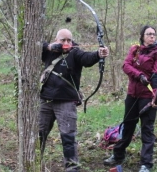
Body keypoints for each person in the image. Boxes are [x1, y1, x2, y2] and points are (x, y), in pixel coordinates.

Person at [39, 28, 109, 172]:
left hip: (66, 101)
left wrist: (98, 54)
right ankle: (34, 162)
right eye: (62, 40)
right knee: (39, 133)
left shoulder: (75, 53)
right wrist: (49, 46)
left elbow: (87, 59)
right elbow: (33, 45)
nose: (66, 43)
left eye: (69, 40)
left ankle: (71, 168)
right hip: (45, 100)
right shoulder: (48, 51)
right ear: (56, 40)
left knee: (68, 137)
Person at [103, 25, 157, 172]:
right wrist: (139, 75)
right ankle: (118, 155)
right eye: (148, 34)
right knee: (128, 126)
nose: (152, 36)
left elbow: (156, 77)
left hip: (147, 97)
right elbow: (126, 65)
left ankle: (146, 164)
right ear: (142, 36)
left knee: (147, 130)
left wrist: (155, 97)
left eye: (153, 34)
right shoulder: (135, 50)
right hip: (132, 95)